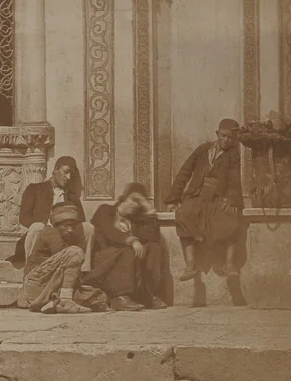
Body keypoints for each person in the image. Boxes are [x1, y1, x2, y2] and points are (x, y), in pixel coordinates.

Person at [165, 119, 244, 281]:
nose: (225, 140)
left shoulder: (233, 154)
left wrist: (232, 200)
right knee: (184, 214)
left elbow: (235, 178)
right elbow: (185, 171)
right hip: (197, 194)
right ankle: (191, 265)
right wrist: (174, 198)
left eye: (230, 137)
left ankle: (229, 264)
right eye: (223, 136)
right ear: (217, 133)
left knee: (230, 217)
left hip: (218, 196)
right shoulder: (203, 150)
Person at [86, 183, 169, 310]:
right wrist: (131, 240)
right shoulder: (105, 210)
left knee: (154, 247)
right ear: (123, 198)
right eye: (133, 199)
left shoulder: (135, 221)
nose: (135, 205)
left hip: (127, 259)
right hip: (104, 261)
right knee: (128, 250)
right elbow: (109, 232)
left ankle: (148, 295)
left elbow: (153, 237)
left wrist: (149, 210)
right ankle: (120, 297)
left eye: (139, 202)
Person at [17, 202, 108, 314]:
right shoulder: (50, 232)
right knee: (75, 252)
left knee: (99, 297)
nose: (70, 229)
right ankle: (64, 301)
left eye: (72, 226)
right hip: (37, 282)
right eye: (66, 225)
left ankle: (53, 302)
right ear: (56, 224)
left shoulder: (67, 236)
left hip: (50, 286)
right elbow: (67, 254)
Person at [8, 155, 85, 266]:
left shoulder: (72, 197)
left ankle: (81, 271)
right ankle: (31, 268)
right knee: (37, 226)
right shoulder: (35, 189)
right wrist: (45, 227)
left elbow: (80, 221)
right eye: (66, 172)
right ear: (55, 170)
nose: (68, 177)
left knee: (88, 228)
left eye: (71, 175)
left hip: (65, 236)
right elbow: (24, 218)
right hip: (41, 234)